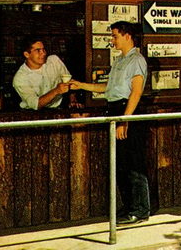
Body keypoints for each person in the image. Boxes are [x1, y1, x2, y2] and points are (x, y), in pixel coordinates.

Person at [70, 21, 150, 225]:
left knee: (133, 164)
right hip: (115, 109)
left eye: (115, 36)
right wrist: (81, 86)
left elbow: (136, 92)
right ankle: (129, 206)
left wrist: (125, 120)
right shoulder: (119, 61)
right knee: (121, 164)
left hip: (127, 111)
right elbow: (108, 88)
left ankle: (140, 210)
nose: (112, 40)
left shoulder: (137, 60)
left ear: (127, 36)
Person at [12, 36, 75, 110]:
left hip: (59, 108)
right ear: (27, 54)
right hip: (33, 113)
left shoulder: (54, 60)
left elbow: (69, 82)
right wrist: (56, 91)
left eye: (43, 49)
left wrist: (73, 101)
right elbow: (36, 105)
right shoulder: (20, 78)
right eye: (38, 50)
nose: (43, 53)